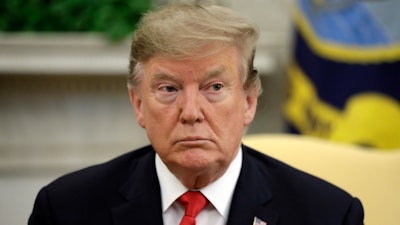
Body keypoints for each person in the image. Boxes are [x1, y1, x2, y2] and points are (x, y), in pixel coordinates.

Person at [28, 3, 364, 225]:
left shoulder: (328, 215)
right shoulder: (66, 210)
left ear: (248, 102)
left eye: (214, 88)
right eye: (169, 89)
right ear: (139, 104)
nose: (191, 113)